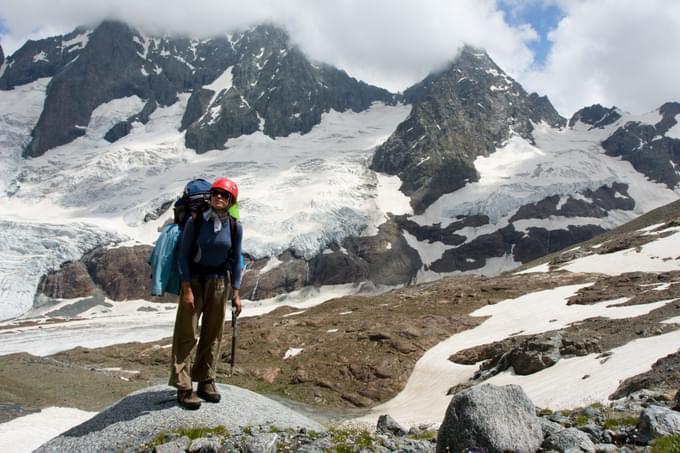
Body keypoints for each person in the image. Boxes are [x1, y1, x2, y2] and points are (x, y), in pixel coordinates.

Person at [169, 177, 243, 410]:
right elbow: (183, 256)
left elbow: (236, 260)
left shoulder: (234, 226)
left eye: (224, 195)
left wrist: (236, 292)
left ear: (231, 201)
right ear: (210, 196)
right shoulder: (196, 220)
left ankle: (206, 380)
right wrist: (186, 288)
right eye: (216, 193)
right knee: (187, 332)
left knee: (213, 333)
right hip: (195, 281)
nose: (219, 197)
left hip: (219, 281)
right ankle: (184, 386)